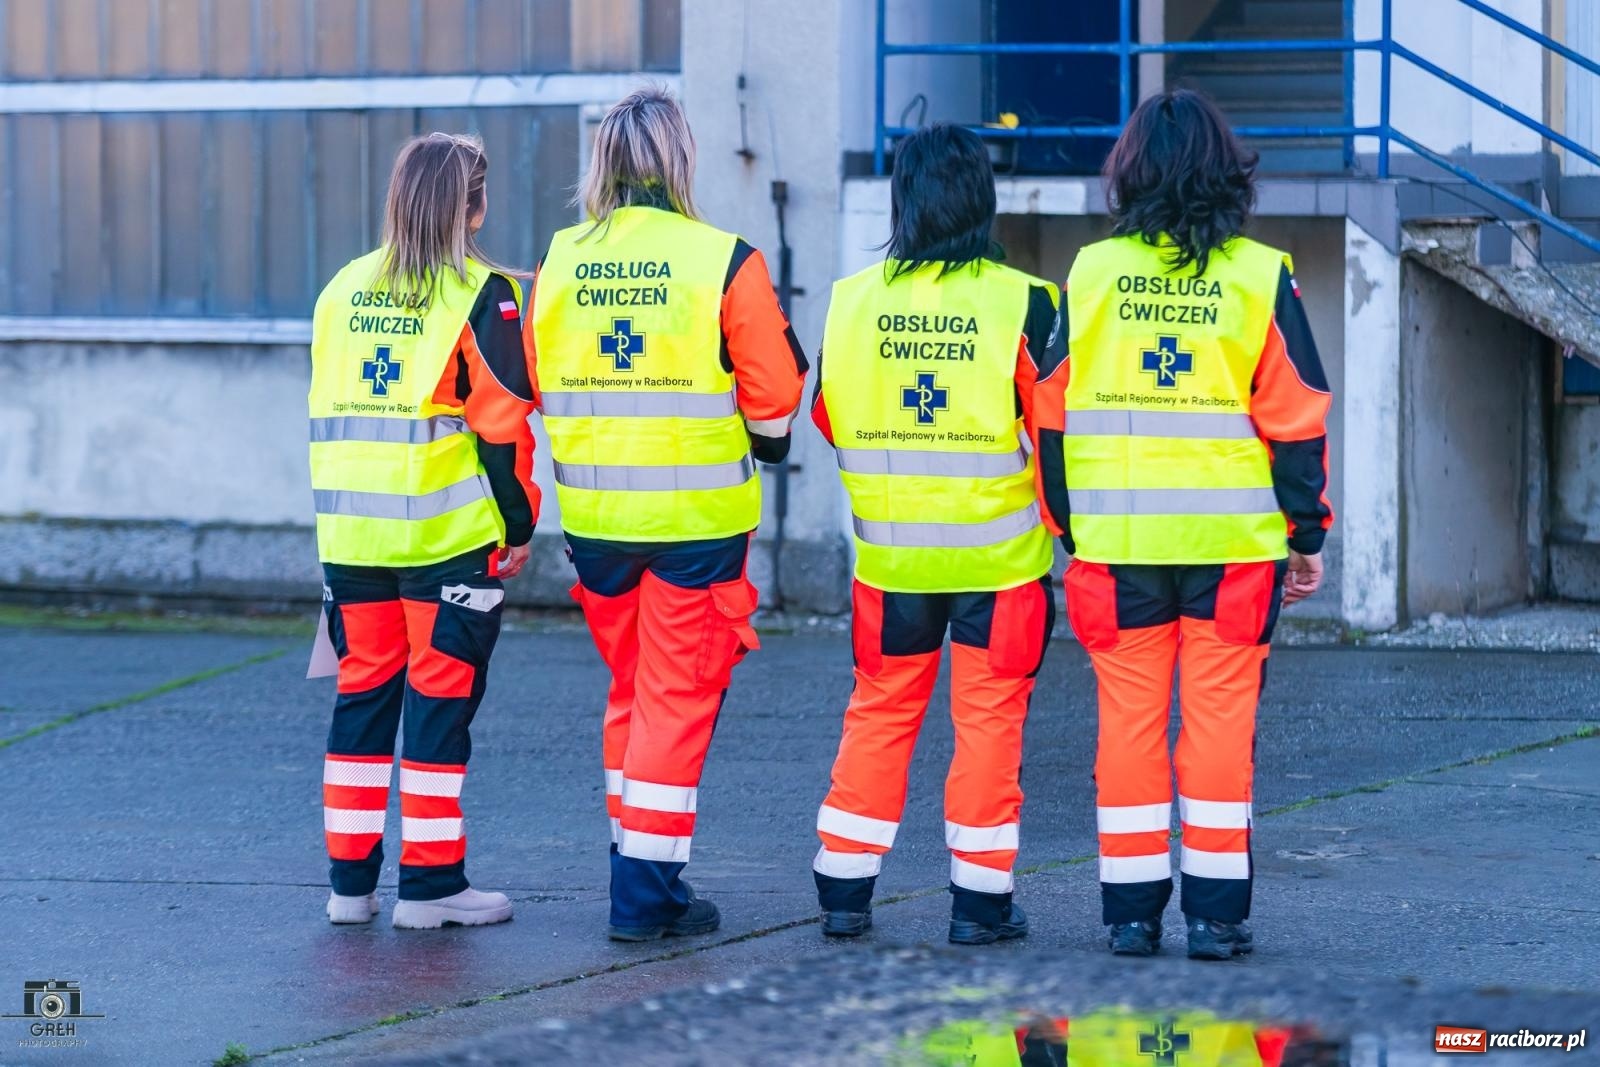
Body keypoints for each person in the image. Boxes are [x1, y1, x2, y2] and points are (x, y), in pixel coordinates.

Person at [1034, 89, 1334, 960]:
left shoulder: (1088, 274)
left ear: (1129, 172)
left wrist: (1067, 528)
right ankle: (1215, 917)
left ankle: (1130, 915)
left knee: (1127, 728)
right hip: (1233, 553)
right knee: (1218, 731)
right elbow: (1297, 419)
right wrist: (1306, 535)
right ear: (1222, 172)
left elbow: (1048, 417)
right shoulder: (1258, 274)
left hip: (1116, 551)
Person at [526, 88, 807, 941]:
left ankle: (634, 857)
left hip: (597, 526)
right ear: (679, 159)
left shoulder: (560, 260)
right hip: (694, 528)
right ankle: (646, 898)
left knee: (635, 696)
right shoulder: (722, 259)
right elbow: (777, 397)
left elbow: (538, 378)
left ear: (602, 163)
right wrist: (761, 441)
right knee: (675, 703)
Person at [809, 124, 1059, 945]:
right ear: (980, 199)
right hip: (1000, 562)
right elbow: (1055, 433)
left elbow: (827, 415)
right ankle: (980, 905)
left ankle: (843, 889)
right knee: (988, 722)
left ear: (903, 199)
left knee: (878, 712)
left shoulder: (850, 301)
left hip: (891, 563)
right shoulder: (1026, 301)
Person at [309, 132, 537, 930]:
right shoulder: (482, 293)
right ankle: (432, 890)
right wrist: (518, 524)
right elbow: (502, 430)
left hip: (351, 541)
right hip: (445, 542)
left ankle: (349, 885)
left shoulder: (341, 288)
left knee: (361, 702)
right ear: (473, 208)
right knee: (439, 707)